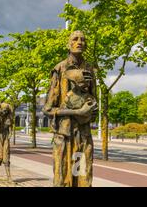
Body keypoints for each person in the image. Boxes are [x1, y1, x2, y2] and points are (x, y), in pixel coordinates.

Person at [43, 31, 98, 187]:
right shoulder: (60, 69)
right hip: (64, 136)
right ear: (69, 44)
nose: (79, 42)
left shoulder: (89, 70)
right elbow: (47, 109)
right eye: (75, 39)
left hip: (83, 136)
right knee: (63, 181)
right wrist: (77, 112)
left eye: (82, 39)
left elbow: (93, 102)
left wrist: (91, 111)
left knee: (82, 179)